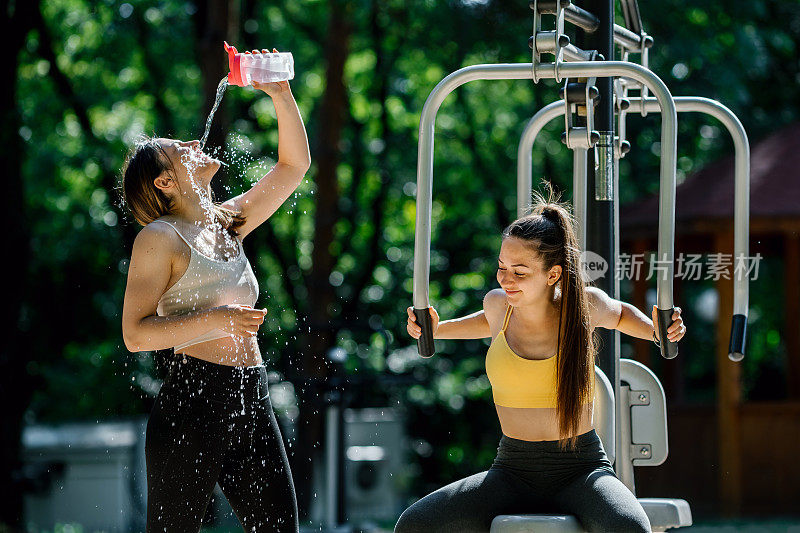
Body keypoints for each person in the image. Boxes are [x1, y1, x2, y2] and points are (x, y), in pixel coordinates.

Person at [398, 189, 686, 533]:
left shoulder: (584, 307)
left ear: (553, 274)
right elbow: (479, 323)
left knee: (631, 527)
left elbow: (621, 313)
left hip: (582, 470)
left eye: (520, 271)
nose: (506, 279)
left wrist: (658, 331)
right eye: (502, 267)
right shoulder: (498, 308)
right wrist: (435, 329)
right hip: (511, 471)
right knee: (414, 524)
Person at [120, 76, 310, 532]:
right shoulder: (159, 237)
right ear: (165, 181)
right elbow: (135, 334)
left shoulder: (228, 224)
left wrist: (280, 93)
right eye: (176, 148)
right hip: (193, 401)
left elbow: (293, 167)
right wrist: (220, 319)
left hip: (252, 394)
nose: (192, 141)